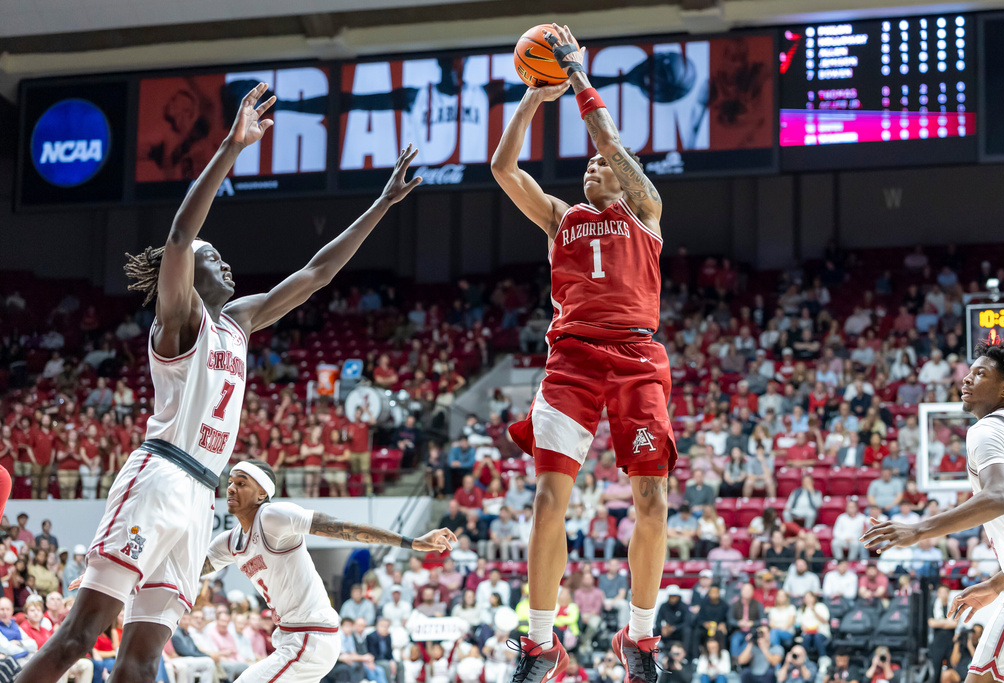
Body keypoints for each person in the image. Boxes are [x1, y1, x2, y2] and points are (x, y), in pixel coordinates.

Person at [20, 85, 424, 683]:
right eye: (216, 259)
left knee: (143, 658)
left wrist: (384, 204)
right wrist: (232, 146)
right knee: (81, 637)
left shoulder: (238, 320)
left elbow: (314, 274)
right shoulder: (180, 320)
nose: (225, 264)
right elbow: (182, 237)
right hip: (158, 477)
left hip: (199, 497)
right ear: (187, 275)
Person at [494, 24, 675, 683]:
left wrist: (576, 77)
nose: (595, 165)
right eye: (589, 165)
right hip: (570, 360)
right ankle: (541, 644)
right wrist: (531, 98)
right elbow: (502, 169)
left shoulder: (646, 210)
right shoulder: (559, 217)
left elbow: (611, 141)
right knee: (548, 499)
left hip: (635, 358)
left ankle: (641, 637)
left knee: (651, 498)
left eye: (605, 164)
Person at [197, 461, 454, 682]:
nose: (231, 487)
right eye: (230, 481)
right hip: (291, 637)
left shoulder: (272, 516)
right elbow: (190, 571)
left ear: (262, 493)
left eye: (241, 483)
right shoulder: (229, 542)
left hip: (310, 636)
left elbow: (341, 527)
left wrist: (410, 542)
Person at [863, 340, 1004, 683]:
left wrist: (917, 530)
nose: (967, 379)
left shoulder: (990, 428)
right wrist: (998, 583)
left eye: (980, 373)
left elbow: (998, 497)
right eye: (968, 371)